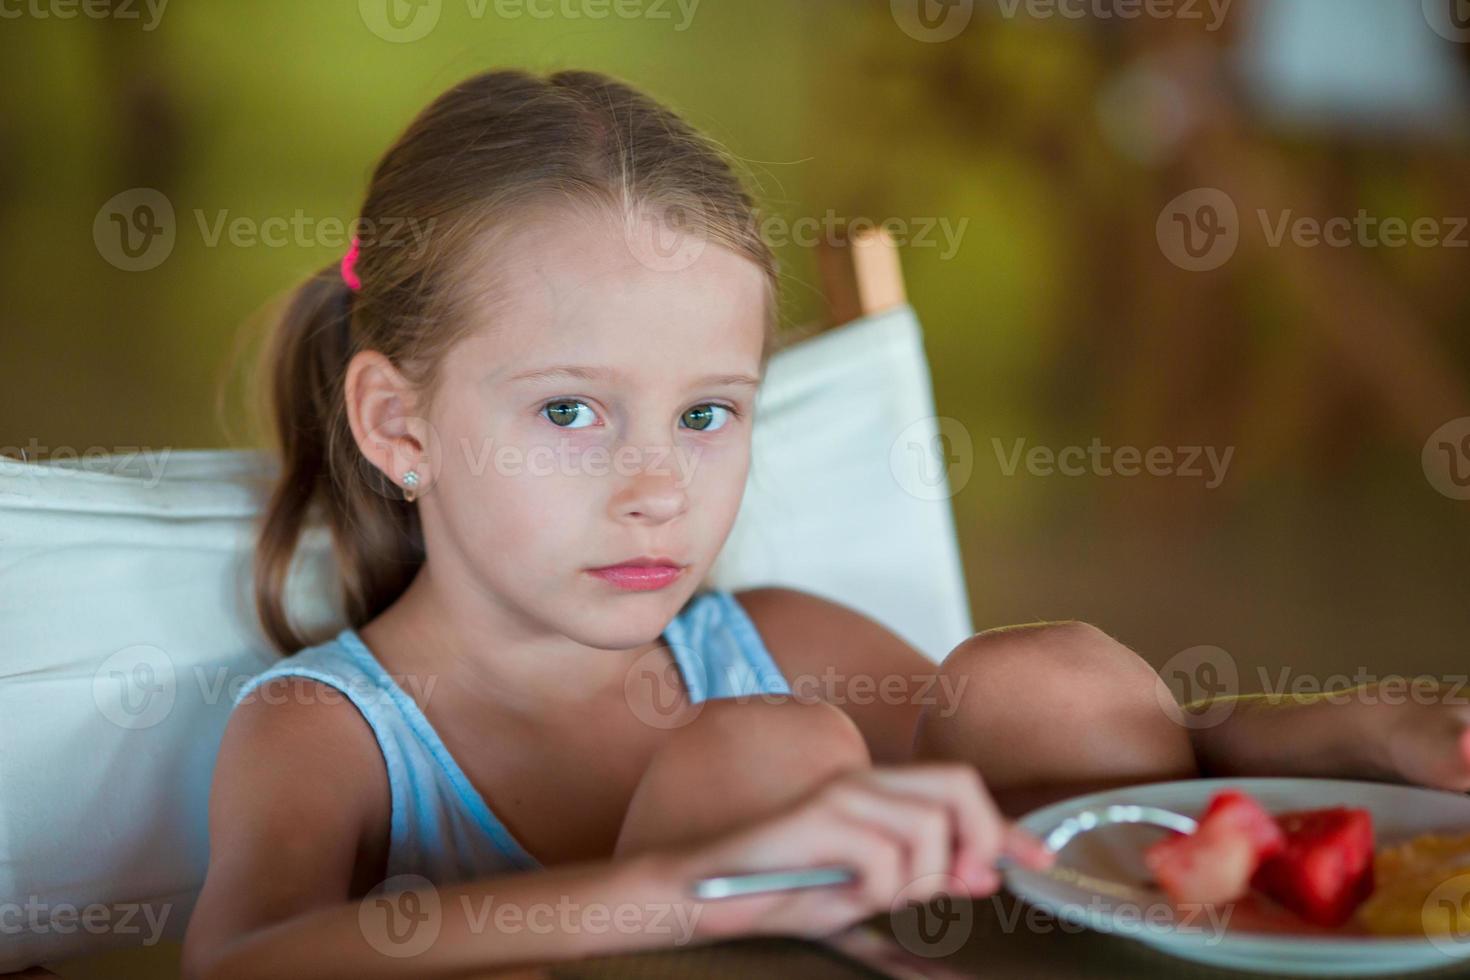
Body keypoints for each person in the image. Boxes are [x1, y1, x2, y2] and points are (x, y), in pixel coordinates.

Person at [182, 67, 1470, 979]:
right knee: (758, 763)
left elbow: (1088, 792)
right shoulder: (332, 732)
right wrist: (674, 894)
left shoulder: (779, 642)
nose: (658, 485)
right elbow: (238, 960)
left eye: (708, 414)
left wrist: (1347, 729)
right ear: (400, 426)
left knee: (1048, 681)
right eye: (571, 412)